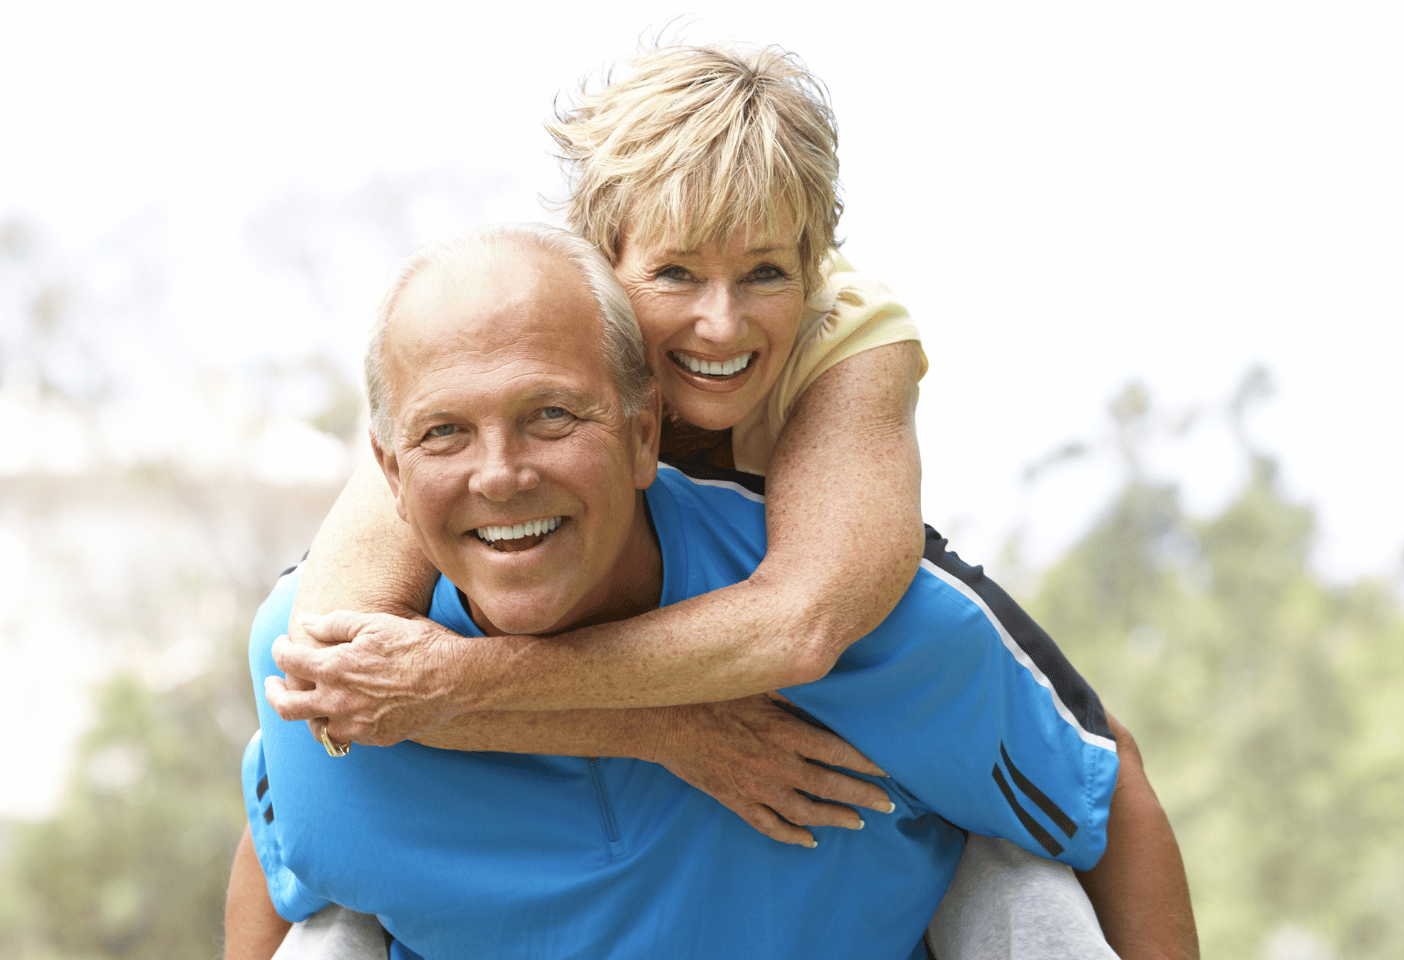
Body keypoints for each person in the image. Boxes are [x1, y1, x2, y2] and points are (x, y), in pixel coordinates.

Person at [227, 224, 1196, 960]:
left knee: (1029, 892)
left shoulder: (873, 621)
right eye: (445, 436)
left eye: (550, 416)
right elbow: (287, 863)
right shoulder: (332, 674)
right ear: (391, 476)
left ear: (646, 433)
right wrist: (660, 725)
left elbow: (1102, 799)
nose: (500, 474)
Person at [267, 42, 932, 847]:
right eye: (677, 274)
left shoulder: (850, 335)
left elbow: (800, 624)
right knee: (271, 823)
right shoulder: (543, 327)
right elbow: (336, 664)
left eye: (764, 273)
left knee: (1089, 739)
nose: (721, 324)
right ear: (608, 262)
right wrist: (662, 731)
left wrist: (457, 677)